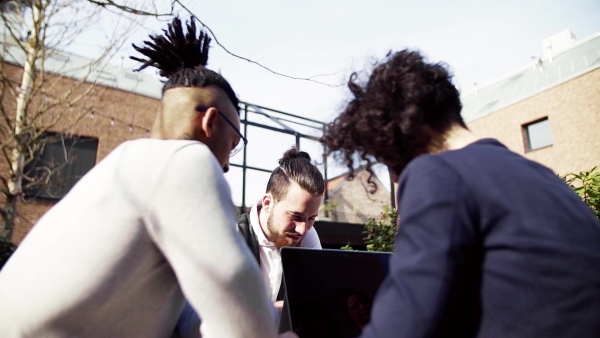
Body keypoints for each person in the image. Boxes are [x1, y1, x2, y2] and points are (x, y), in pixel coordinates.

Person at [0, 17, 287, 338]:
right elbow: (246, 323)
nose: (226, 167)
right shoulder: (186, 162)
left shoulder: (122, 168)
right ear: (210, 121)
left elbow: (195, 318)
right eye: (233, 145)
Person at [321, 49, 600, 337]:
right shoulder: (542, 177)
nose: (394, 176)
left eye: (389, 157)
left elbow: (402, 327)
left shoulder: (438, 172)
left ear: (410, 132)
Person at [176, 147, 325, 337]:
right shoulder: (232, 235)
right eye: (295, 216)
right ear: (268, 203)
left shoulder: (307, 235)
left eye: (311, 218)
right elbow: (215, 316)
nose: (303, 228)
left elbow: (315, 302)